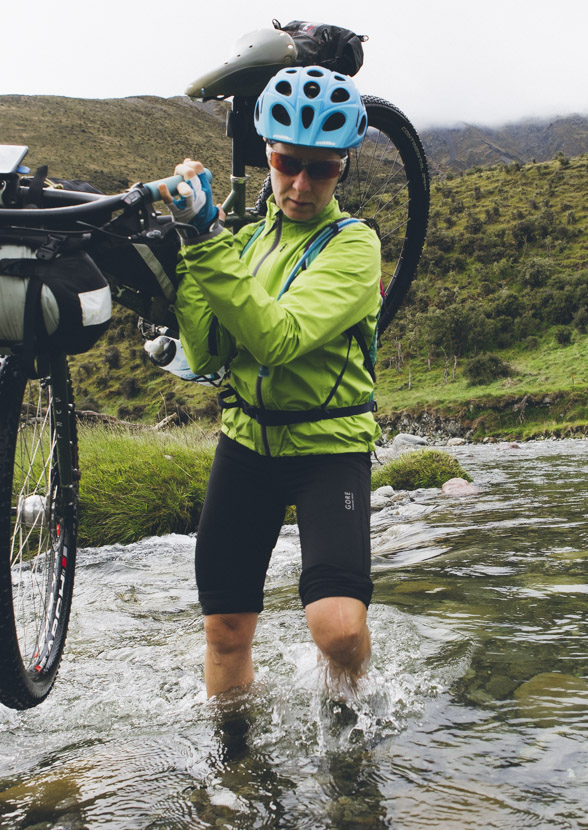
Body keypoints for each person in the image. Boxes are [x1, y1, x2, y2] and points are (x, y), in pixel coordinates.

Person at [159, 66, 381, 699]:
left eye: (323, 169)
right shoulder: (247, 240)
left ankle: (357, 705)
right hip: (246, 441)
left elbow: (277, 339)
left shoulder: (354, 246)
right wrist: (190, 241)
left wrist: (207, 243)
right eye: (288, 163)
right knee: (226, 628)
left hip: (328, 446)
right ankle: (234, 770)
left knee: (336, 629)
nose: (301, 184)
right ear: (268, 155)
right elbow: (207, 355)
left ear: (344, 168)